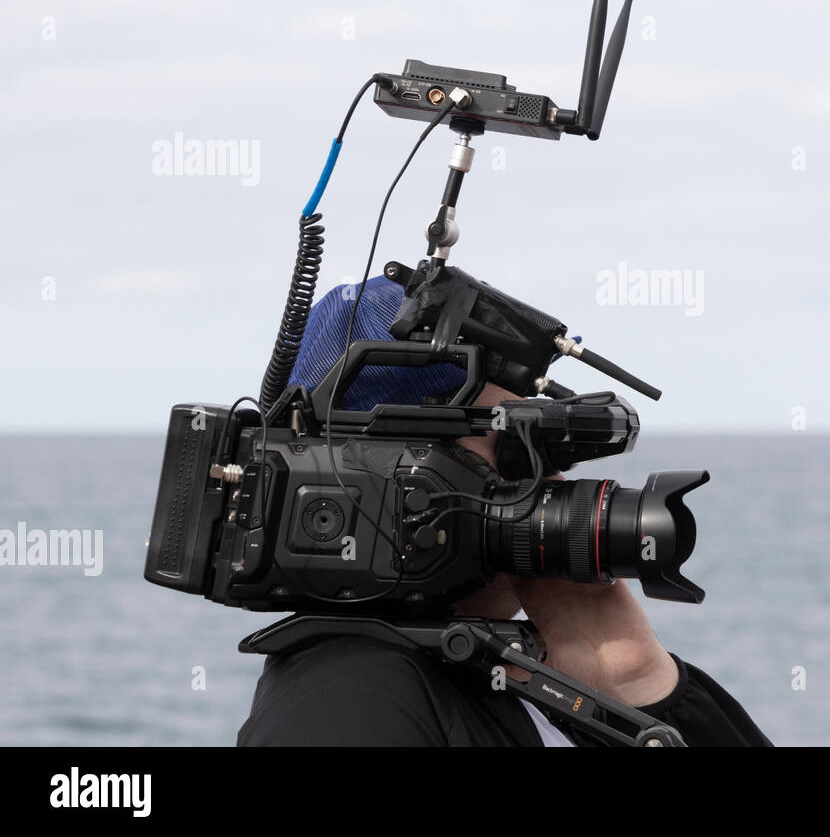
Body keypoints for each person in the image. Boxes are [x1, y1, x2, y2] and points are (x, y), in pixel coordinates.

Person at [237, 277, 771, 746]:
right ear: (382, 479)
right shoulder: (348, 705)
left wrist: (639, 683)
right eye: (512, 453)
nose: (545, 482)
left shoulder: (481, 674)